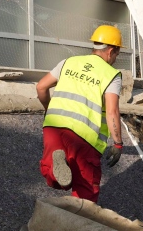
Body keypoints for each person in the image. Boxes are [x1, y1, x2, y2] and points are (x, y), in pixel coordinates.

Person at [36, 25, 125, 203]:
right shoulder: (111, 74)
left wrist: (49, 110)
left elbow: (41, 87)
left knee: (53, 176)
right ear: (111, 50)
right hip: (84, 137)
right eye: (116, 54)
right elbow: (112, 111)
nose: (115, 59)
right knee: (86, 192)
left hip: (53, 127)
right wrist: (118, 143)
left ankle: (56, 167)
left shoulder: (68, 62)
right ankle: (77, 227)